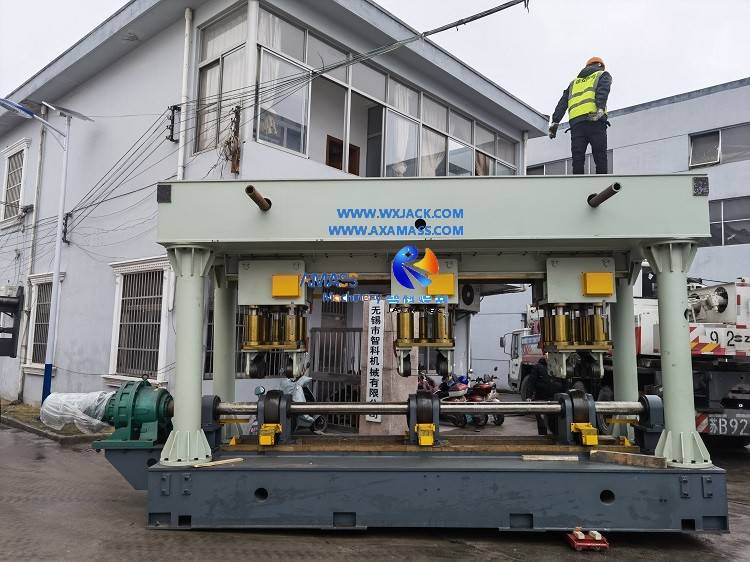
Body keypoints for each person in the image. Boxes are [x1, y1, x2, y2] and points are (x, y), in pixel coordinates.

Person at [548, 56, 612, 174]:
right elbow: (603, 91)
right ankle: (602, 182)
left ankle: (577, 184)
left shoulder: (574, 83)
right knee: (600, 155)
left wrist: (555, 122)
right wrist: (600, 109)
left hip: (577, 124)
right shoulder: (602, 75)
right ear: (600, 66)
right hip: (595, 120)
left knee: (578, 158)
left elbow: (563, 102)